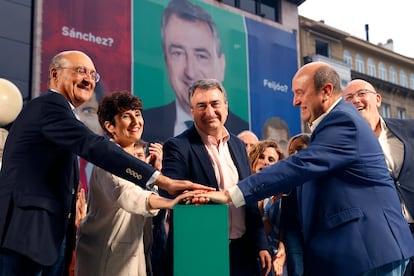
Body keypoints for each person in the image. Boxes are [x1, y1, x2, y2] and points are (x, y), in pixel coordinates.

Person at [0, 50, 211, 275]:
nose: (88, 79)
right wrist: (163, 182)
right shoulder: (49, 106)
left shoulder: (64, 114)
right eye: (80, 71)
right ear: (54, 74)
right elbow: (95, 147)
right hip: (26, 234)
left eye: (93, 74)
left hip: (47, 237)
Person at [195, 62, 414, 276]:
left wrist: (230, 194)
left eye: (300, 92)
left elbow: (302, 164)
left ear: (326, 91)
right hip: (360, 252)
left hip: (369, 249)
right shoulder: (336, 123)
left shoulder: (343, 120)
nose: (295, 101)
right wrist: (290, 190)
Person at [161, 79, 271, 276]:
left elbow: (250, 198)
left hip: (242, 251)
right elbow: (170, 193)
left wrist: (261, 243)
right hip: (201, 251)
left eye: (215, 104)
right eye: (201, 105)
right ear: (191, 110)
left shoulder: (238, 145)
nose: (209, 112)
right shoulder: (178, 146)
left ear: (226, 107)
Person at [76, 91, 192, 276]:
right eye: (126, 116)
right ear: (110, 126)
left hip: (132, 253)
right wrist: (170, 202)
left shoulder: (138, 164)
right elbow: (129, 196)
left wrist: (153, 176)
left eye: (137, 114)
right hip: (107, 255)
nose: (135, 121)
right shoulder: (109, 157)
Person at [142, 0, 248, 143]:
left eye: (201, 56)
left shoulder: (242, 136)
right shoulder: (143, 126)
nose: (190, 71)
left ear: (221, 65)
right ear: (166, 60)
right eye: (178, 53)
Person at [343, 79, 414, 276]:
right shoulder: (344, 144)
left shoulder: (408, 129)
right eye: (348, 98)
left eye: (361, 93)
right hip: (386, 242)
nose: (355, 100)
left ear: (378, 99)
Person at [249, 140, 286, 276]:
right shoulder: (240, 192)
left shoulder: (281, 196)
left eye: (271, 160)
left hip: (274, 262)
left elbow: (281, 231)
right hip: (245, 259)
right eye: (261, 157)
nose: (265, 162)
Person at [279, 133, 310, 276]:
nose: (295, 154)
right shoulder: (287, 180)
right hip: (294, 237)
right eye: (291, 152)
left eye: (300, 149)